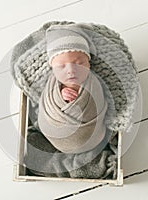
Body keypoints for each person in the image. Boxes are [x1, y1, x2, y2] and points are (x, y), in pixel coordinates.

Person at [37, 23, 108, 154]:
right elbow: (48, 99)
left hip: (89, 134)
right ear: (53, 68)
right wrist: (61, 93)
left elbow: (99, 101)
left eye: (79, 63)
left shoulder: (93, 83)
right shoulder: (53, 83)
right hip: (56, 133)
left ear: (88, 62)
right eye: (61, 66)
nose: (71, 71)